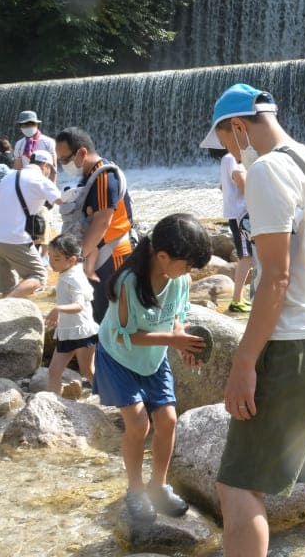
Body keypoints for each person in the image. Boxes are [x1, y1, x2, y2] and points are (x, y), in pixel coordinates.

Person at [206, 83, 305, 557]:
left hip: (291, 348)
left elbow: (275, 277)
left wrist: (244, 363)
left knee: (237, 487)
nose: (229, 155)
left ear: (238, 127)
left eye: (226, 144)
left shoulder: (269, 171)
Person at [95, 213, 210, 522]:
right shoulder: (128, 283)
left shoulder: (179, 279)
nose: (190, 272)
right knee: (137, 424)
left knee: (169, 420)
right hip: (119, 356)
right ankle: (135, 490)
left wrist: (183, 339)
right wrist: (174, 341)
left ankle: (158, 486)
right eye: (187, 264)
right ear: (161, 256)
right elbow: (126, 335)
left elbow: (177, 318)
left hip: (153, 357)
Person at [54, 127, 135, 324]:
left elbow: (101, 222)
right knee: (100, 314)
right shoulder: (92, 175)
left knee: (113, 317)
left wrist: (77, 259)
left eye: (65, 160)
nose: (64, 165)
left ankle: (113, 354)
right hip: (99, 255)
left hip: (112, 255)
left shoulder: (104, 177)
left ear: (82, 153)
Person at [0, 150, 61, 298]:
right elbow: (63, 202)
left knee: (7, 287)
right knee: (38, 275)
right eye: (50, 169)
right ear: (45, 166)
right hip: (15, 239)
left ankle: (4, 315)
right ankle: (6, 303)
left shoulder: (9, 176)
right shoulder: (41, 180)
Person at [200, 135, 252, 313]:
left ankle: (243, 297)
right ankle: (237, 299)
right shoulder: (232, 158)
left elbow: (223, 186)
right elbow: (242, 183)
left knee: (250, 256)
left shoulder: (226, 160)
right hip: (242, 215)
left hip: (237, 214)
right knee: (247, 257)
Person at [44, 233, 99, 394]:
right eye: (50, 256)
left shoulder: (73, 278)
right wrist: (59, 314)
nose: (51, 262)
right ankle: (53, 405)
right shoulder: (69, 272)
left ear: (72, 260)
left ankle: (116, 402)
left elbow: (79, 305)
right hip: (67, 331)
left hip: (82, 331)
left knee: (88, 371)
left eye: (56, 258)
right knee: (54, 371)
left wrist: (58, 310)